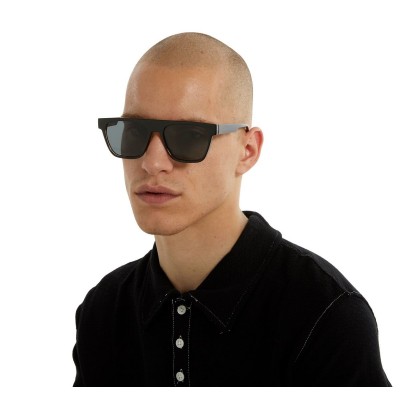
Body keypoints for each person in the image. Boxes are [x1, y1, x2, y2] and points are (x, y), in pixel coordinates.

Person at [73, 32, 390, 387]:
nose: (152, 163)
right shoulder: (102, 311)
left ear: (247, 151)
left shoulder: (325, 315)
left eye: (189, 135)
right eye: (134, 132)